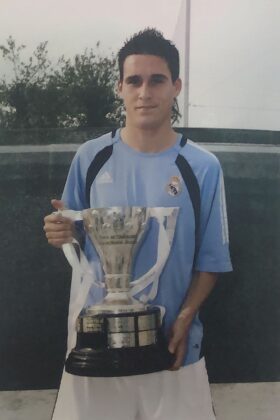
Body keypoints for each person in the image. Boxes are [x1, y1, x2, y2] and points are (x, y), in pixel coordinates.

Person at [44, 28, 232, 420]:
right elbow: (73, 229)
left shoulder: (202, 167)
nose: (145, 92)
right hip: (97, 345)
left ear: (176, 86)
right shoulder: (90, 157)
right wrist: (61, 231)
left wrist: (184, 317)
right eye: (134, 80)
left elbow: (211, 260)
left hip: (173, 345)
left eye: (157, 80)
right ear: (120, 87)